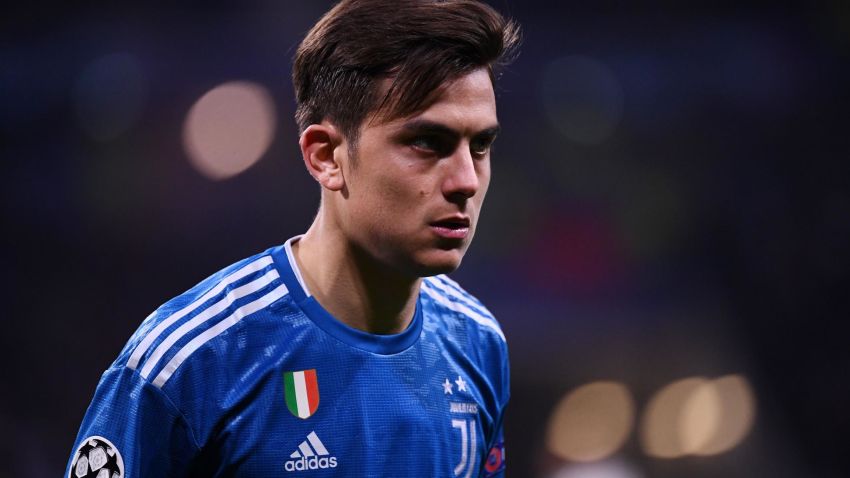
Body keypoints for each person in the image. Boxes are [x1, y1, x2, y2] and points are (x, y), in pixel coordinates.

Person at [66, 0, 520, 476]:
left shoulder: (478, 345)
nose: (467, 179)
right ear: (326, 156)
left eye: (481, 146)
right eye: (428, 142)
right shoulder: (191, 361)